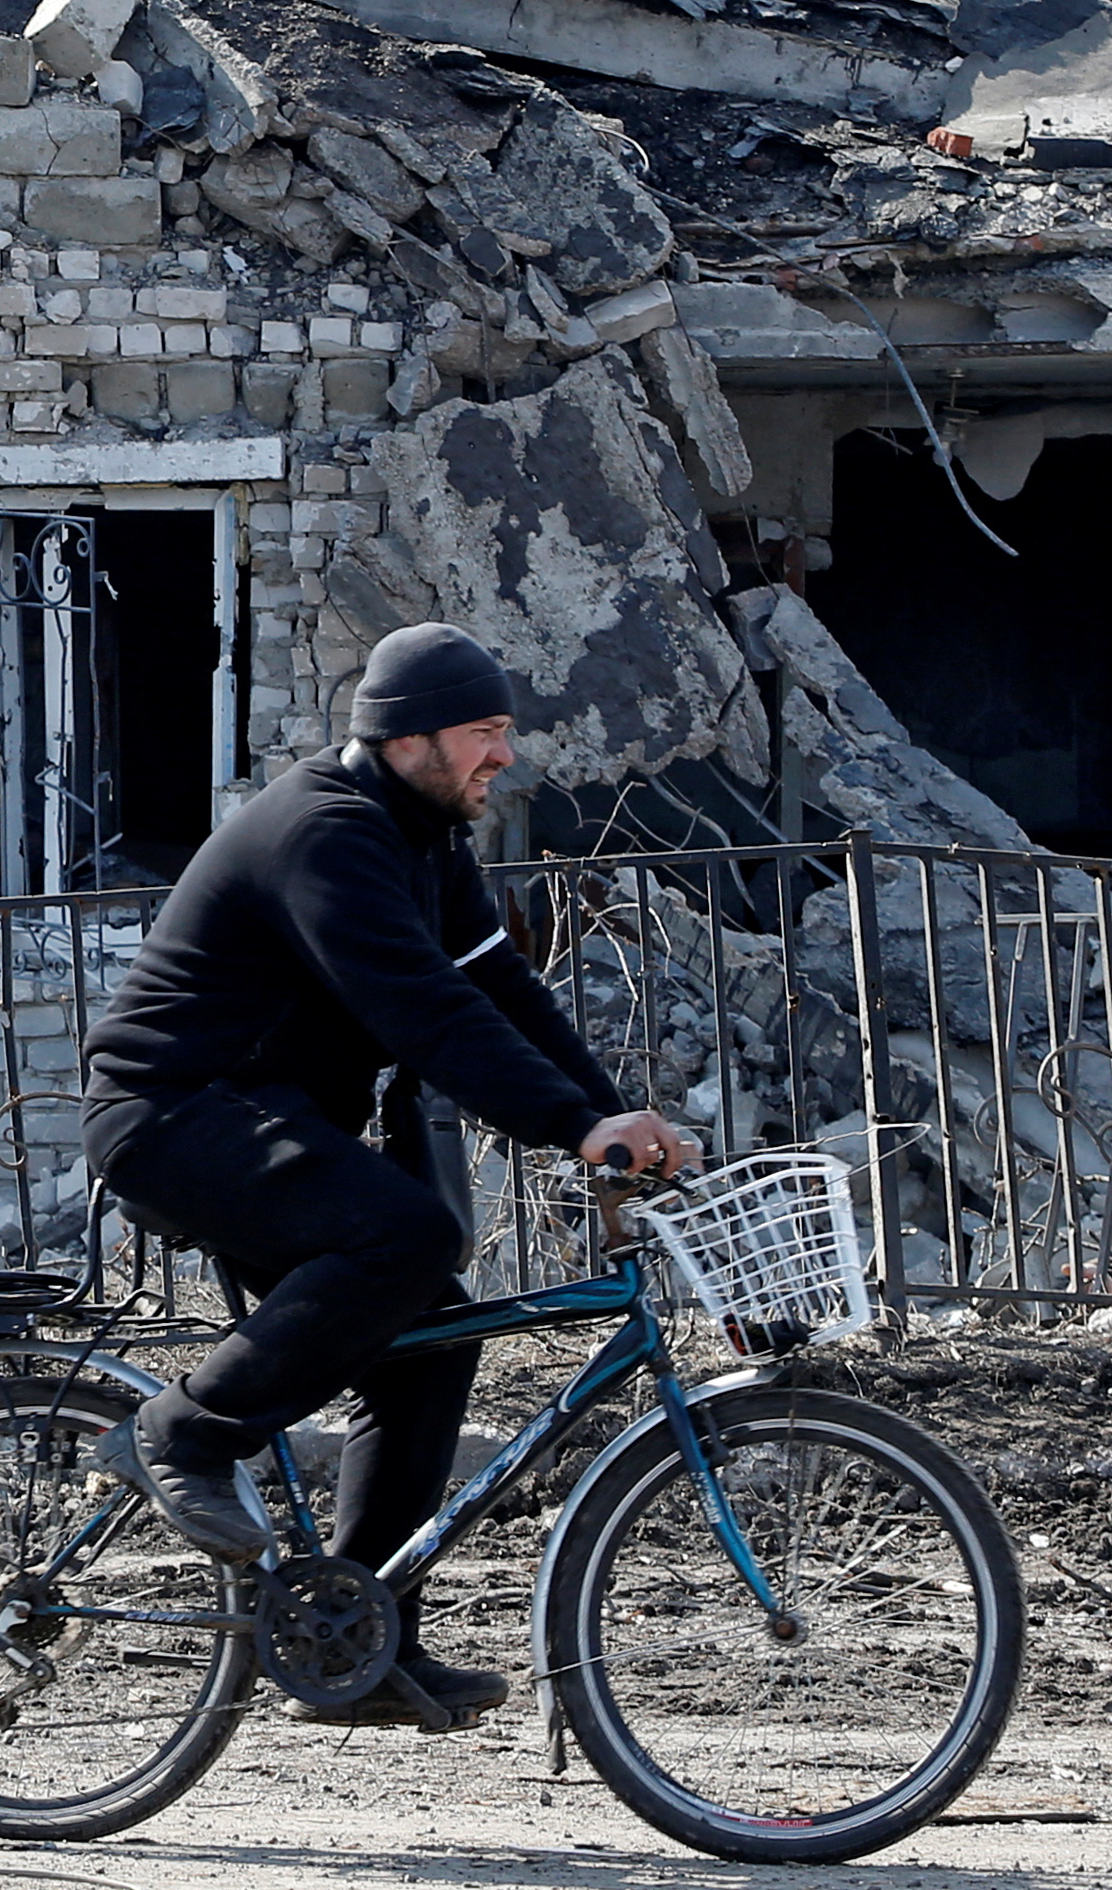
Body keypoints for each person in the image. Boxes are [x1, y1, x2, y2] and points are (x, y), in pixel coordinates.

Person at [77, 622, 704, 1724]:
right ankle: (184, 1433)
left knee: (429, 1344)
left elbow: (502, 990)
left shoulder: (423, 839)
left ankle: (350, 1642)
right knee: (408, 1238)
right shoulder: (326, 836)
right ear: (408, 737)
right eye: (485, 732)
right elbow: (425, 1015)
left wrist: (606, 1116)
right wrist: (572, 1129)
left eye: (505, 732)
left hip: (264, 1117)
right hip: (176, 1115)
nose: (503, 756)